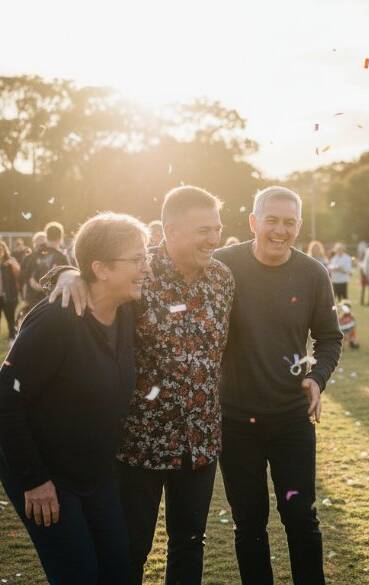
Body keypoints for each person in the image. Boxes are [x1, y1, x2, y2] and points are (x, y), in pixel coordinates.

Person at [48, 186, 236, 585]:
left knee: (190, 542)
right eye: (204, 230)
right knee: (131, 546)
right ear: (170, 230)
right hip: (139, 440)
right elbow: (94, 271)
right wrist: (65, 272)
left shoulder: (222, 278)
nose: (214, 239)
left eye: (217, 229)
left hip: (200, 439)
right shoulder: (137, 271)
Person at [0, 212, 150, 584]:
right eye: (137, 260)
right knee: (78, 574)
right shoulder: (58, 319)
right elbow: (6, 397)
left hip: (96, 471)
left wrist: (65, 269)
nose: (146, 268)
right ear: (101, 269)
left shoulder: (125, 310)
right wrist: (34, 480)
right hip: (46, 474)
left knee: (119, 569)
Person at [214, 186, 342, 585]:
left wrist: (317, 378)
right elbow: (166, 260)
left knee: (301, 517)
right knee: (249, 522)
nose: (280, 230)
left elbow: (330, 337)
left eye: (289, 222)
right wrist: (66, 273)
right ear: (253, 222)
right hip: (235, 420)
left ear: (299, 226)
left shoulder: (313, 273)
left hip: (291, 418)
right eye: (271, 220)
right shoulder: (222, 265)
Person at [21, 223, 68, 313]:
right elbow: (67, 278)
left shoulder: (33, 255)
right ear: (61, 238)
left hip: (34, 300)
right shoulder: (61, 257)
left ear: (46, 236)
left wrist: (26, 296)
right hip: (53, 300)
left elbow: (27, 278)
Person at [0, 241, 21, 338]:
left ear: (5, 250)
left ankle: (12, 339)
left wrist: (13, 265)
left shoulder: (11, 261)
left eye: (1, 249)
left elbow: (19, 274)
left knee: (11, 319)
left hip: (9, 295)